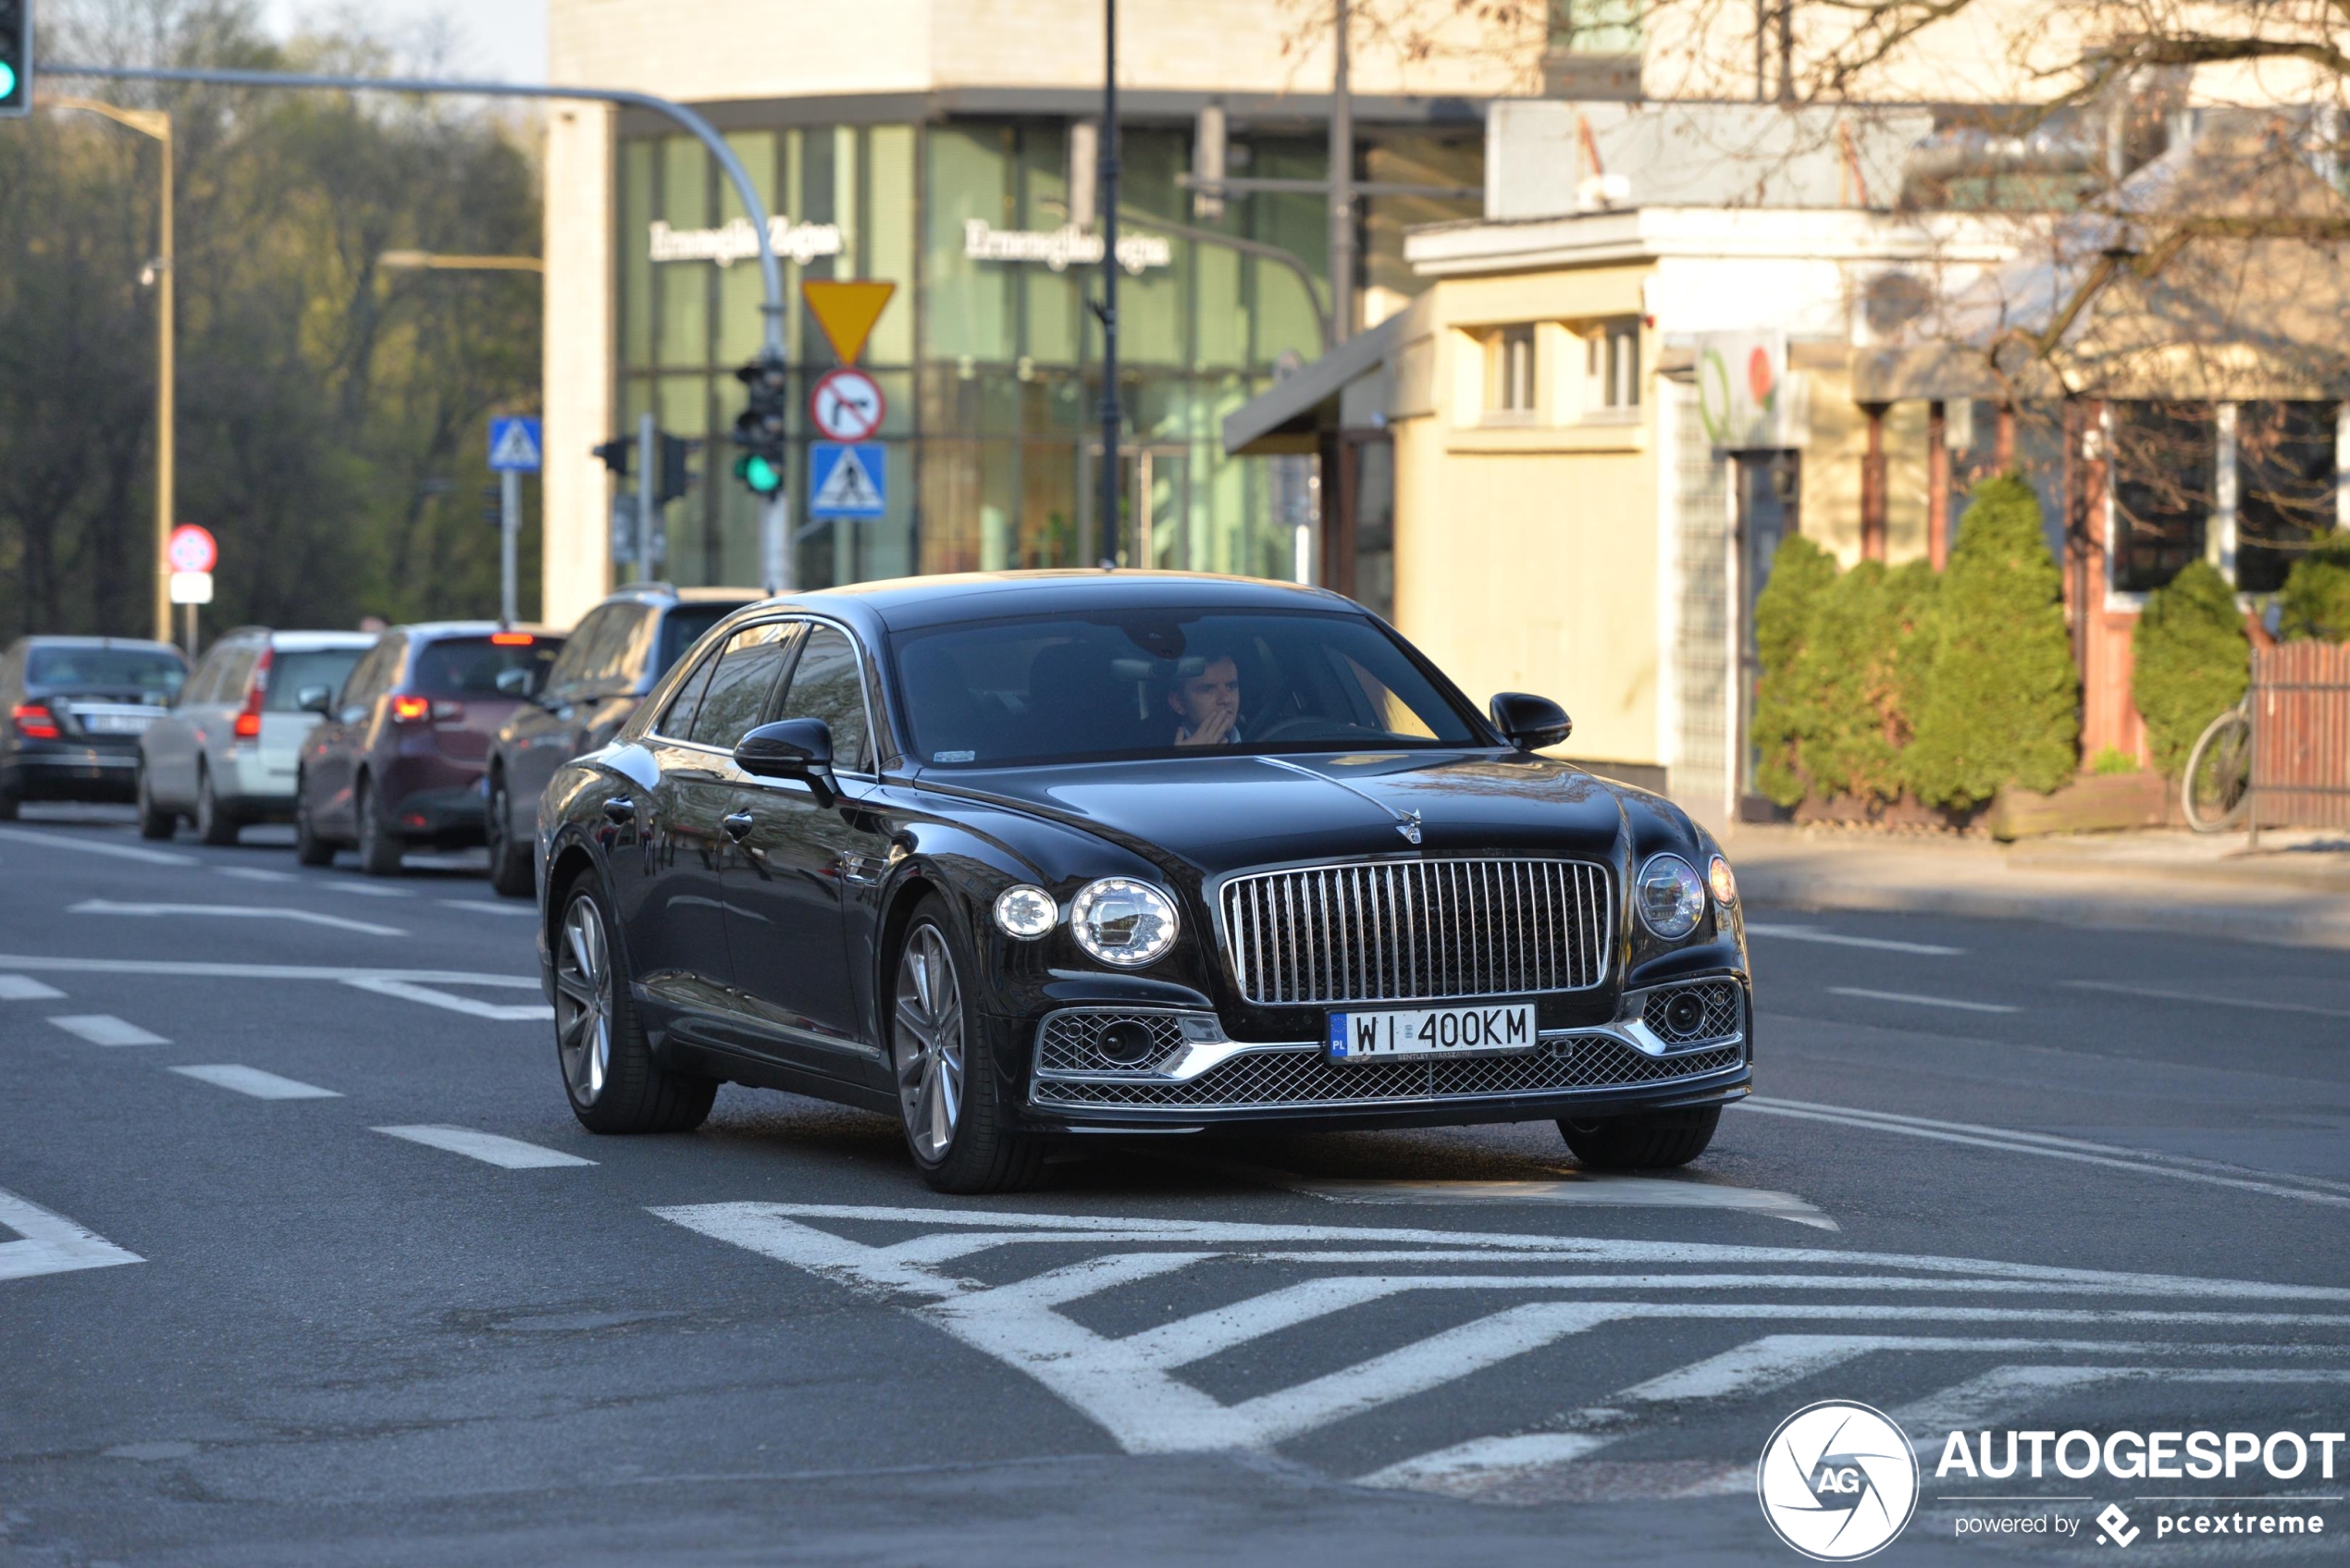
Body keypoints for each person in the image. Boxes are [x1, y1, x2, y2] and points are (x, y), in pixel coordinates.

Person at [1169, 648, 1243, 747]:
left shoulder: (1260, 736)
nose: (1226, 699)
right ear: (1178, 703)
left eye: (1231, 686)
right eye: (1208, 689)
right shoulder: (1154, 748)